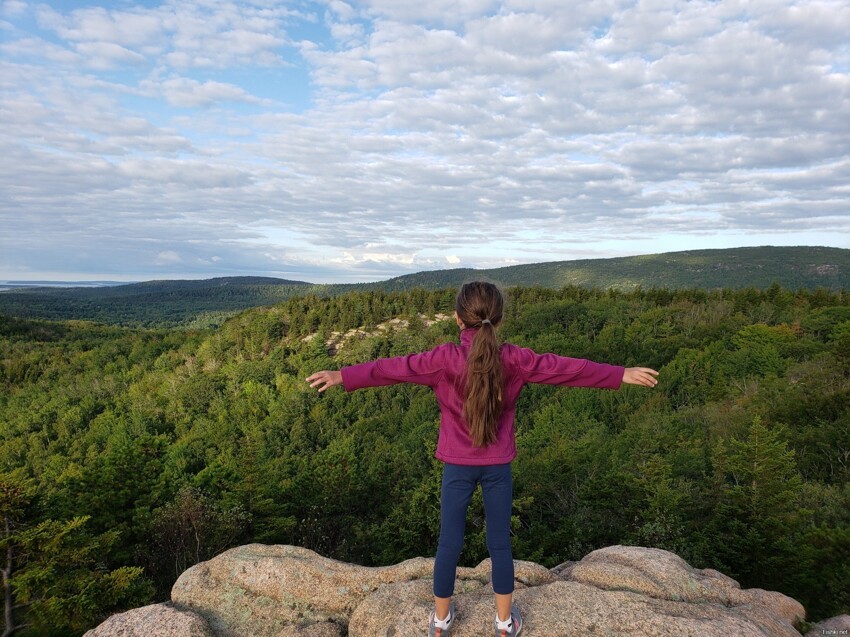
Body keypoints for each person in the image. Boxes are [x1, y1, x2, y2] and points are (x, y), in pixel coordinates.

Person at [306, 281, 658, 637]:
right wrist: (619, 374)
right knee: (500, 543)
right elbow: (567, 369)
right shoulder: (515, 360)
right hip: (497, 467)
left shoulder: (443, 359)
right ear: (499, 319)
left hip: (457, 466)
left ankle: (441, 621)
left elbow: (392, 368)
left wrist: (341, 376)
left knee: (449, 542)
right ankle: (504, 623)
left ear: (458, 320)